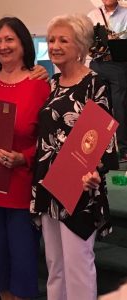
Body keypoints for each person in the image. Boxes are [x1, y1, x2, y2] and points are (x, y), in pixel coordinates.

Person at [31, 14, 118, 300]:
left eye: (63, 40)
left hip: (78, 186)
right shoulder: (52, 84)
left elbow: (103, 134)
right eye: (52, 39)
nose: (54, 45)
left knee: (78, 266)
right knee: (55, 268)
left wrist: (96, 171)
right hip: (48, 184)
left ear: (80, 45)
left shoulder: (96, 83)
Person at [0, 17, 50, 300]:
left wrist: (24, 157)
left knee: (23, 258)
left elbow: (50, 140)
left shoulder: (41, 85)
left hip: (21, 184)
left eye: (10, 40)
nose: (3, 46)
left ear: (24, 44)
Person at [88, 0, 127, 162]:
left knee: (120, 107)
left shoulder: (126, 13)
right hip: (97, 64)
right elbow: (86, 41)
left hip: (119, 65)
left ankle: (123, 150)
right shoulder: (92, 15)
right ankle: (97, 151)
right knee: (96, 107)